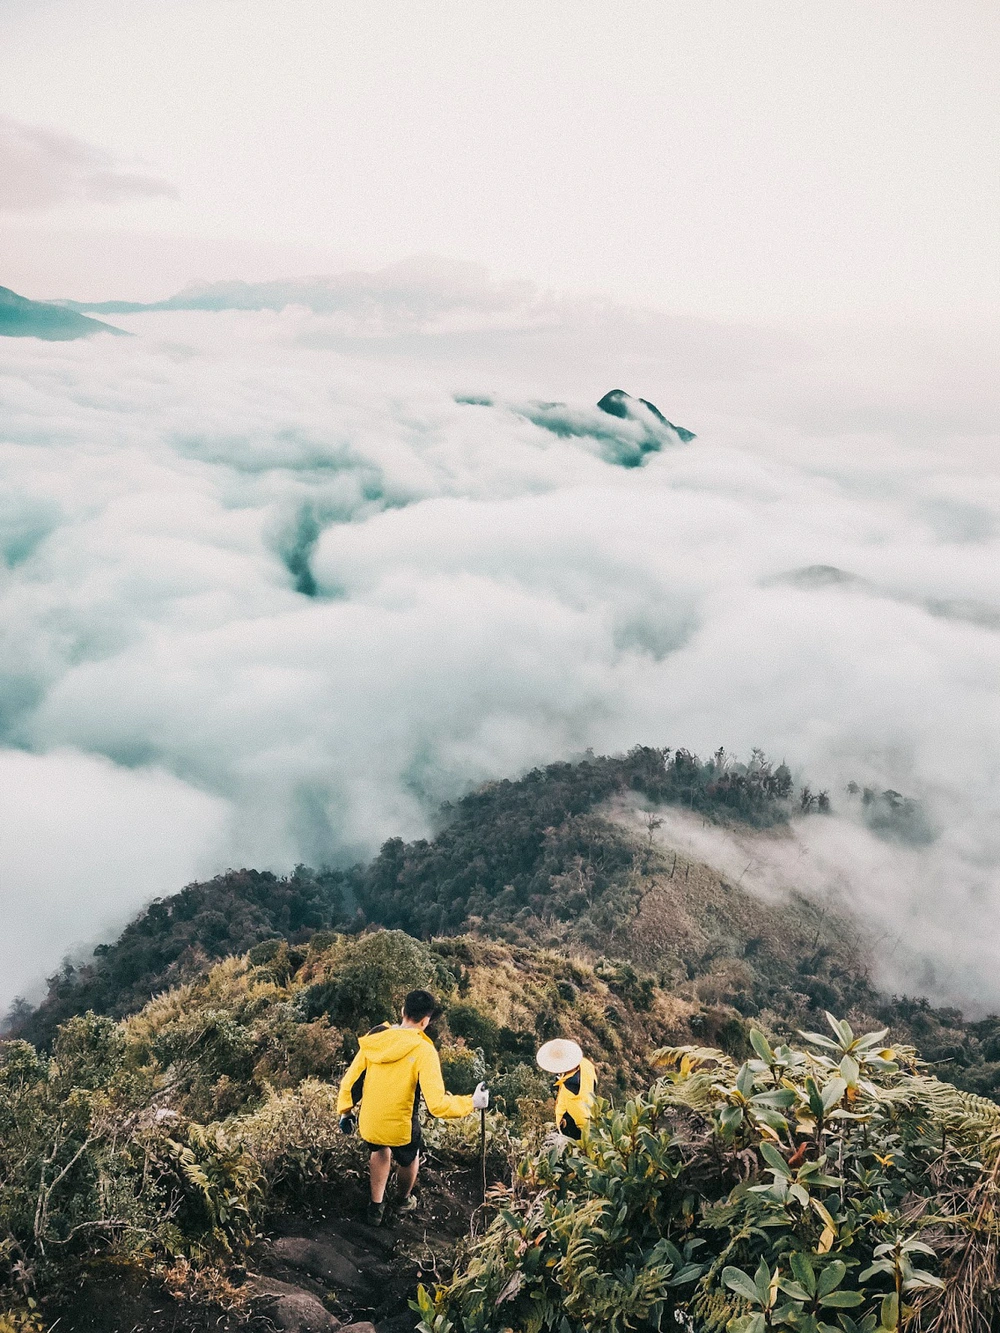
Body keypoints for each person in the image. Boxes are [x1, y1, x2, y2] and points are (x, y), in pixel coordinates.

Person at [337, 988, 489, 1226]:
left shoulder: (376, 1036)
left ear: (402, 1011)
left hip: (370, 1120)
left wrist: (345, 1111)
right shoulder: (423, 1050)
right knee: (409, 1158)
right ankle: (401, 1201)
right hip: (401, 1126)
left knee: (378, 1150)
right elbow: (437, 1105)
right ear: (425, 1020)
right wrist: (472, 1102)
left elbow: (350, 1080)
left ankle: (375, 1208)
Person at [536, 1038, 596, 1139]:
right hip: (592, 1111)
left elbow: (579, 1117)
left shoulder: (568, 1087)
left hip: (579, 1129)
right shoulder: (586, 1065)